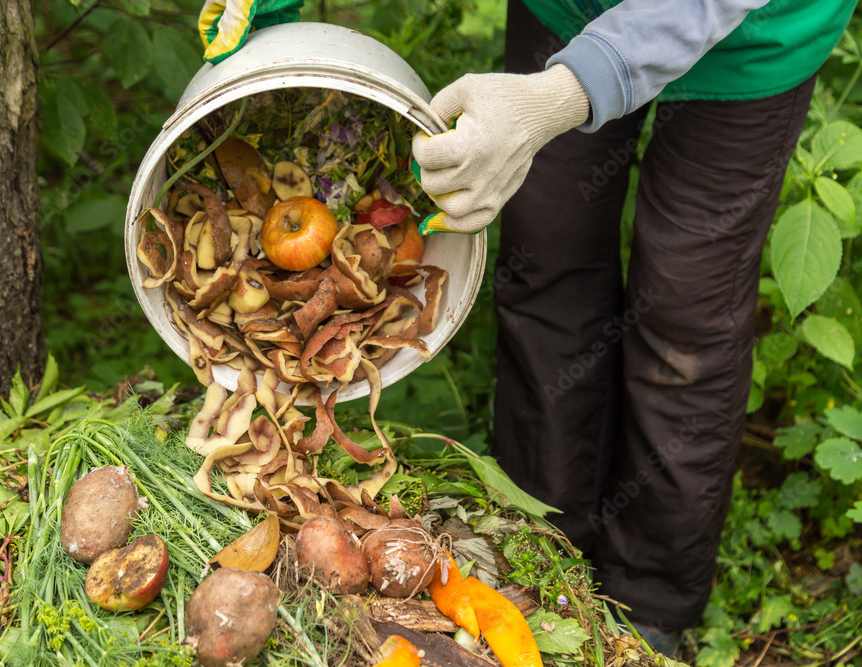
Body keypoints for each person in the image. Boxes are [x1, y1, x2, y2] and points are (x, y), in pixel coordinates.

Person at [198, 0, 855, 655]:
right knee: (547, 259)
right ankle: (545, 546)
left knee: (687, 309)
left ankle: (651, 600)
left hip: (755, 33)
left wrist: (558, 95)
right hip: (573, 8)